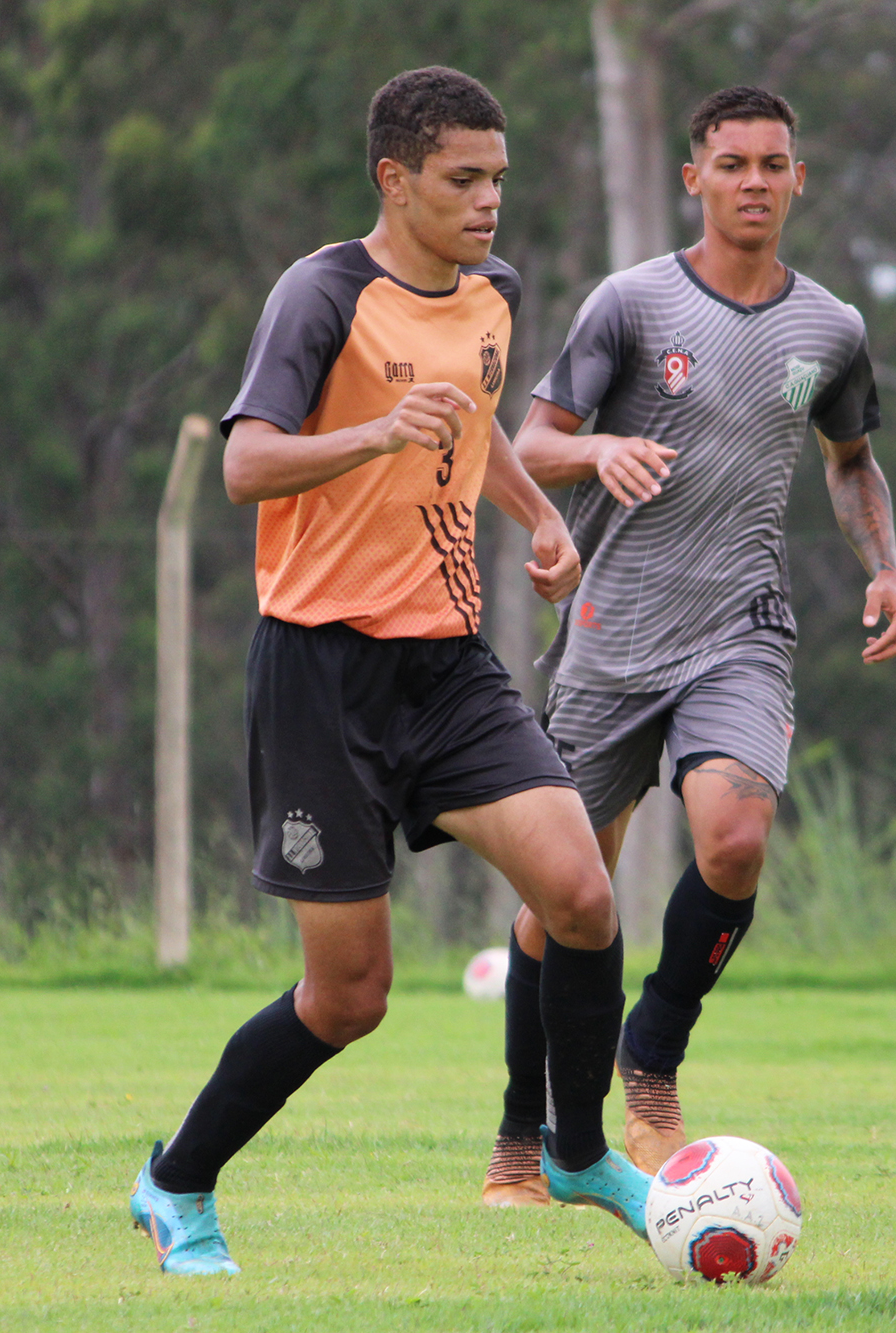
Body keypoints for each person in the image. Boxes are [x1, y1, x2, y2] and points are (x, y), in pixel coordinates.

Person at [127, 67, 650, 1275]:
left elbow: (471, 419)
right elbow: (245, 468)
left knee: (579, 892)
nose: (487, 204)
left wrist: (536, 515)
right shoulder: (320, 295)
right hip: (319, 675)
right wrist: (373, 429)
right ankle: (176, 1181)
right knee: (349, 996)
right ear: (394, 178)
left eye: (498, 180)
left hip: (449, 668)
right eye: (463, 180)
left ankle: (573, 1150)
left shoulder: (495, 294)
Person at [480, 85, 896, 1204]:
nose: (754, 181)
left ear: (798, 179)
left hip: (740, 626)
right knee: (560, 900)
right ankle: (521, 1143)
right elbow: (529, 442)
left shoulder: (829, 327)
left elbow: (850, 457)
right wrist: (602, 451)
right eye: (731, 164)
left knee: (732, 839)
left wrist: (886, 571)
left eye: (774, 163)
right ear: (695, 179)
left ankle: (653, 1056)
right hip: (611, 633)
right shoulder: (629, 305)